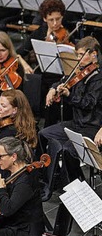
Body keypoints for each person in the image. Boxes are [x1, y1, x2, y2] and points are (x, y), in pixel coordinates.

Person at [40, 36, 102, 201]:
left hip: (91, 126)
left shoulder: (98, 79)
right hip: (76, 123)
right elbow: (62, 81)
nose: (78, 59)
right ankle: (49, 180)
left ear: (94, 55)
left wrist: (68, 95)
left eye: (81, 55)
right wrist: (53, 89)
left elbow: (89, 103)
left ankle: (77, 186)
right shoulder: (79, 72)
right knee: (45, 134)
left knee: (68, 150)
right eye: (77, 54)